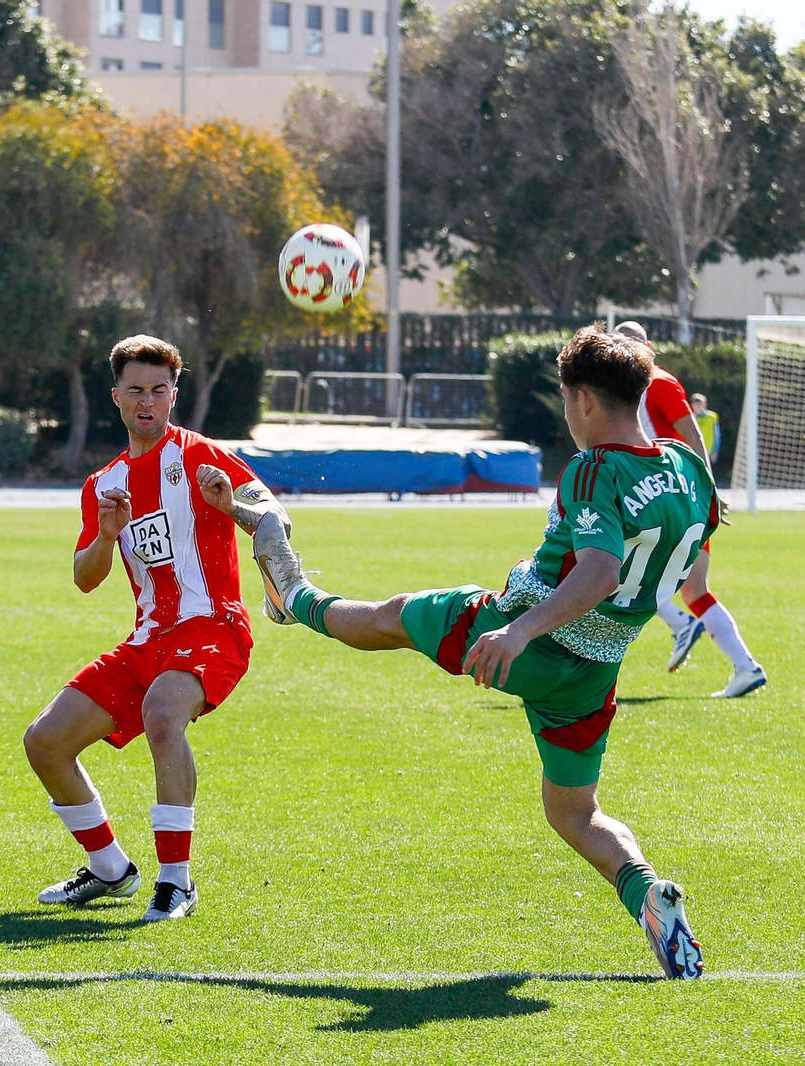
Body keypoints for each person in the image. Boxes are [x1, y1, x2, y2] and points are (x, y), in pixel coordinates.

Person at [250, 326, 713, 978]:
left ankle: (289, 588)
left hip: (526, 632)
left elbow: (602, 570)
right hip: (594, 670)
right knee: (576, 813)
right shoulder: (687, 468)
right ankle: (647, 895)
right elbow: (682, 538)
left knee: (391, 618)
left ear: (581, 401)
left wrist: (520, 630)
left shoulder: (592, 468)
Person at [22, 335, 289, 921]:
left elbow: (274, 519)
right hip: (147, 641)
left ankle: (177, 882)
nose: (148, 401)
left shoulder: (199, 456)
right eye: (136, 390)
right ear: (115, 396)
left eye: (159, 390)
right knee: (44, 742)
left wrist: (232, 510)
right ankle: (110, 870)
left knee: (163, 713)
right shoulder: (103, 484)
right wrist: (106, 535)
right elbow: (85, 578)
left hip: (213, 628)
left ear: (174, 394)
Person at [614, 321, 766, 698]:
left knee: (618, 572)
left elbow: (692, 433)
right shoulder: (624, 390)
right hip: (664, 496)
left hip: (681, 497)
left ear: (648, 348)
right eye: (619, 345)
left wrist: (709, 489)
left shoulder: (659, 382)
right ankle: (744, 667)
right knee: (688, 588)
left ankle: (685, 629)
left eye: (632, 344)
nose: (627, 351)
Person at [690, 393, 721, 469]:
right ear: (692, 405)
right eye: (696, 404)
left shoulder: (712, 417)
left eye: (700, 403)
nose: (698, 406)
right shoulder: (690, 418)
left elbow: (717, 435)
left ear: (705, 404)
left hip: (708, 451)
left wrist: (715, 451)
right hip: (694, 450)